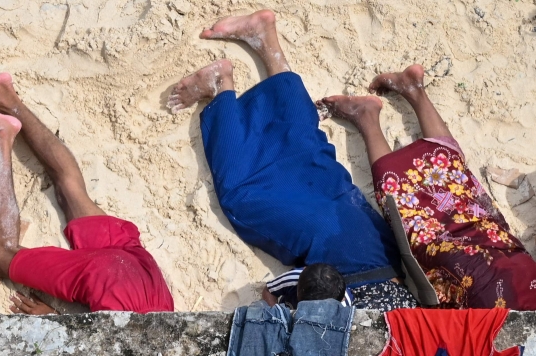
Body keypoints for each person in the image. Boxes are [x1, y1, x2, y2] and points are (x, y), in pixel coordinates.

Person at [169, 10, 418, 312]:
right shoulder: (350, 320)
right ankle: (220, 85)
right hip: (335, 257)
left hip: (374, 240)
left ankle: (266, 38)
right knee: (242, 195)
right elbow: (287, 287)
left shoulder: (410, 320)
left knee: (309, 151)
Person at [0, 75, 174, 315]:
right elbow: (97, 342)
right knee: (0, 254)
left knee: (70, 190)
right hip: (112, 289)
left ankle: (7, 99)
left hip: (146, 278)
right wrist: (54, 317)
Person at [321, 66, 536, 309]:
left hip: (518, 271)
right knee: (414, 225)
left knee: (464, 198)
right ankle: (366, 118)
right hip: (486, 296)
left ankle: (415, 90)